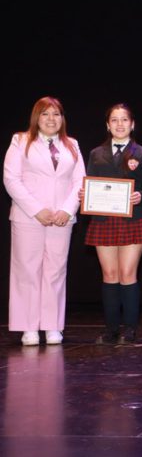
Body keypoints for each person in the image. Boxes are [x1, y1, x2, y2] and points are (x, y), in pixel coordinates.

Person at [3, 96, 85, 346]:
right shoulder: (20, 141)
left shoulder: (72, 144)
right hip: (29, 217)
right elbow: (11, 179)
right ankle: (28, 327)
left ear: (62, 118)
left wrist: (67, 210)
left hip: (61, 219)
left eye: (56, 114)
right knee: (27, 270)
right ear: (36, 118)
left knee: (55, 271)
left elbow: (80, 181)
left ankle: (52, 326)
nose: (51, 119)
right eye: (45, 114)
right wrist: (37, 210)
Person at [83, 103, 142, 345]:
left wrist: (140, 196)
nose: (119, 124)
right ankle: (111, 329)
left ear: (132, 124)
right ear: (107, 125)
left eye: (124, 119)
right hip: (103, 219)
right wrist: (85, 194)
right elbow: (90, 184)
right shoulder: (96, 154)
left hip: (134, 219)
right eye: (114, 120)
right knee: (110, 273)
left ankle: (130, 328)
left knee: (127, 273)